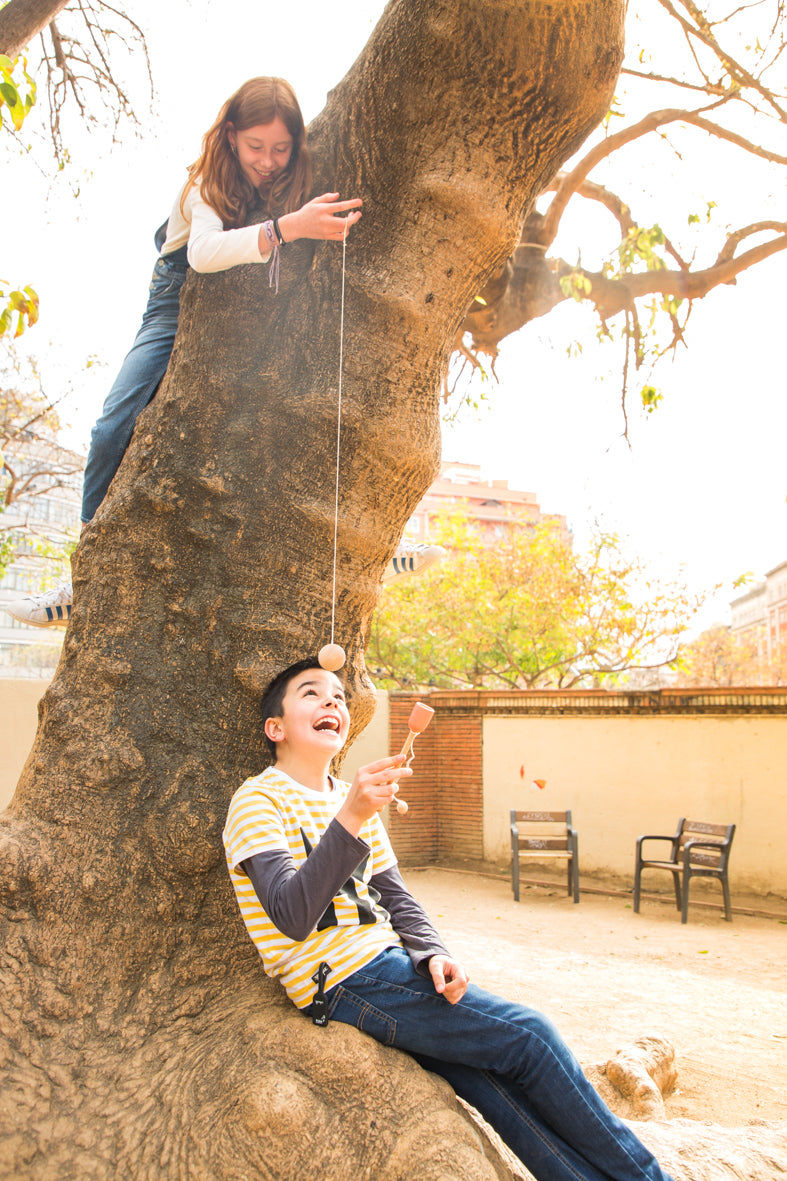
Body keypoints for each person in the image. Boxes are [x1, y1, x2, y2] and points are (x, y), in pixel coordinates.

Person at [3, 77, 443, 629]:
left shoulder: (299, 173)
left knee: (309, 408)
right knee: (113, 424)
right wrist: (292, 226)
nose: (267, 161)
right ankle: (83, 579)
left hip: (262, 303)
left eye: (280, 148)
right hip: (176, 302)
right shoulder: (203, 182)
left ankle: (371, 550)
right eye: (256, 147)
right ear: (231, 135)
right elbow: (206, 253)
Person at [222, 657, 676, 1181]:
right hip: (340, 980)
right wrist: (351, 815)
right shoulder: (259, 799)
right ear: (274, 728)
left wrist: (434, 952)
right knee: (532, 1036)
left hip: (389, 967)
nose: (332, 701)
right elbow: (291, 915)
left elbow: (398, 899)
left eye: (340, 697)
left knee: (496, 1086)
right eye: (311, 693)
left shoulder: (347, 798)